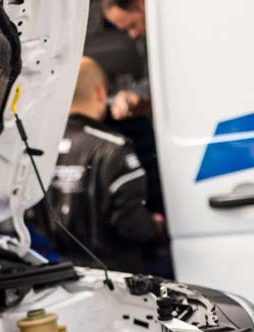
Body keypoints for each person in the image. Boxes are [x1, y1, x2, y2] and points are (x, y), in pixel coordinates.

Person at [33, 57, 166, 273]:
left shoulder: (37, 149)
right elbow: (131, 223)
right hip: (117, 274)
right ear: (100, 93)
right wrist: (154, 225)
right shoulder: (113, 148)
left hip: (62, 270)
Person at [101, 0, 150, 121]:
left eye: (132, 25)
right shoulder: (143, 41)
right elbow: (152, 79)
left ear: (141, 3)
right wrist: (135, 94)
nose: (132, 34)